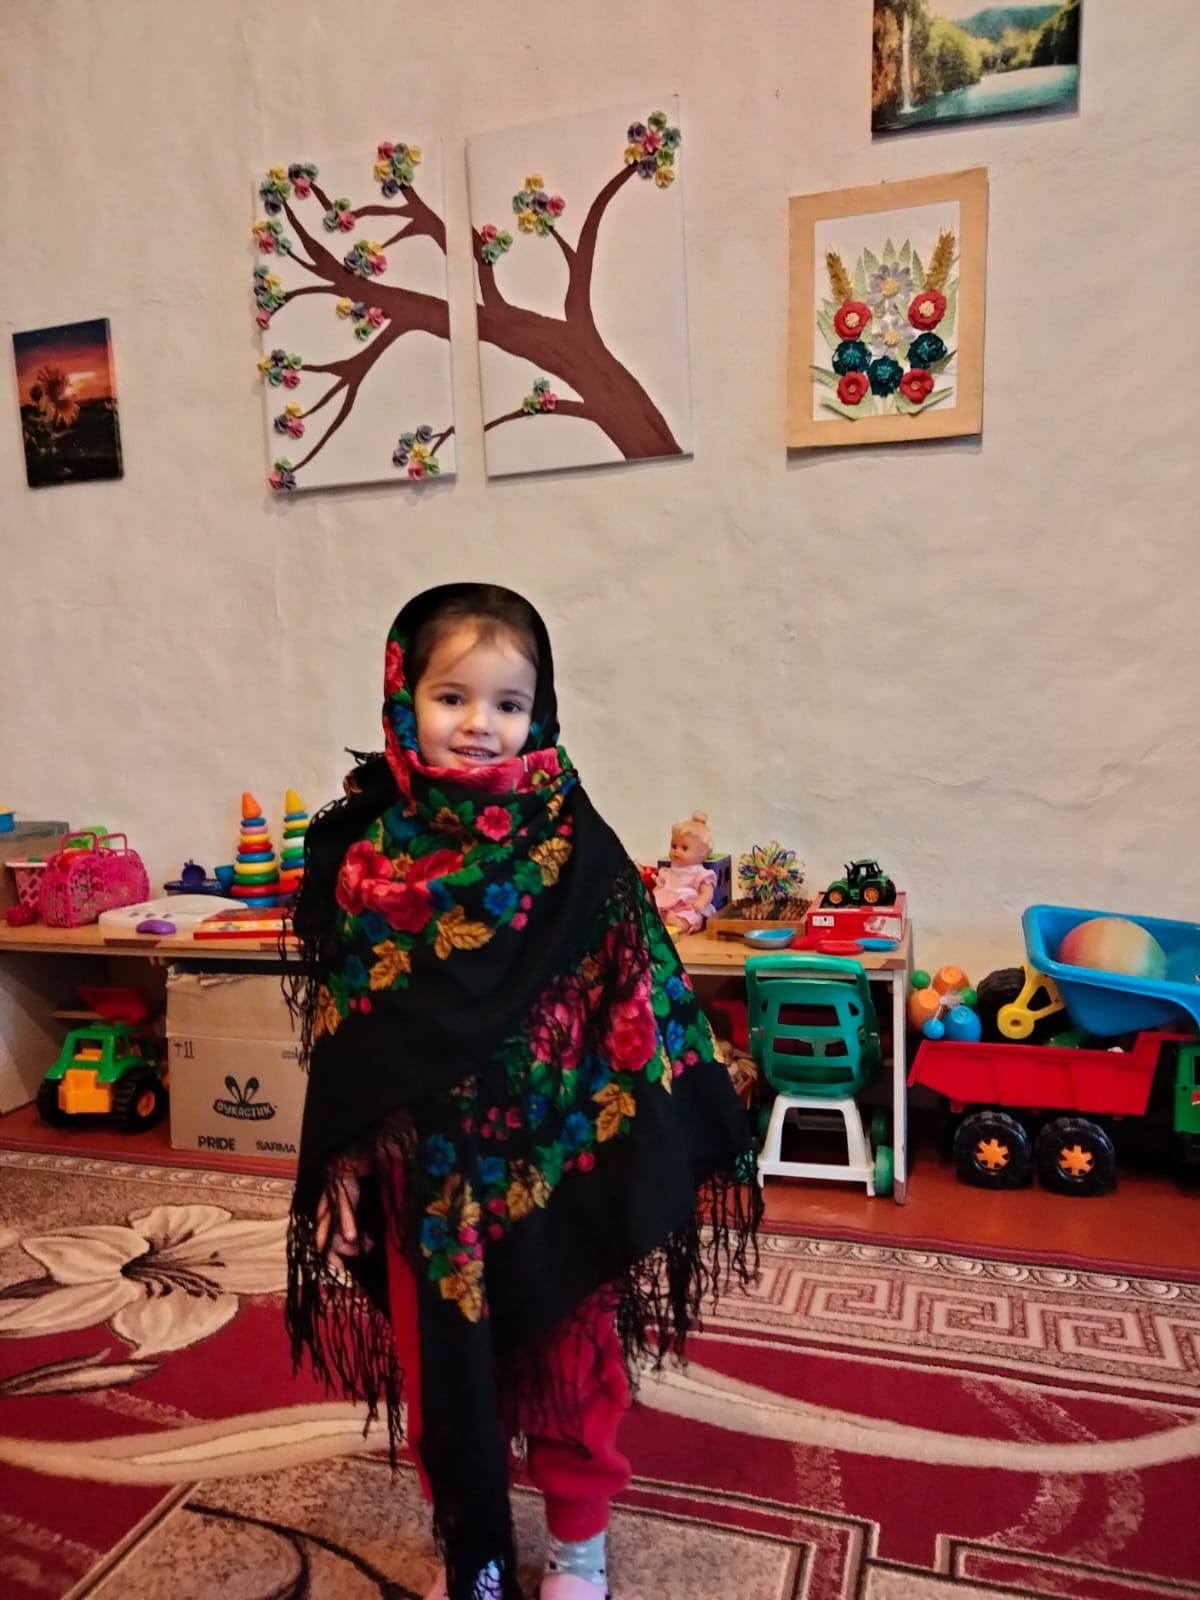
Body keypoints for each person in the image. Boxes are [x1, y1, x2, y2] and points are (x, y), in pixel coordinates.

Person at [285, 583, 760, 1600]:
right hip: (427, 1184)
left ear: (539, 713)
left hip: (558, 1161)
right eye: (451, 696)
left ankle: (579, 1542)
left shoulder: (575, 846)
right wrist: (346, 1165)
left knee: (569, 1372)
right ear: (402, 696)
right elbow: (351, 1033)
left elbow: (635, 992)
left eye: (507, 702)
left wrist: (653, 1129)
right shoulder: (368, 859)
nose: (479, 724)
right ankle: (476, 1548)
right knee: (444, 1379)